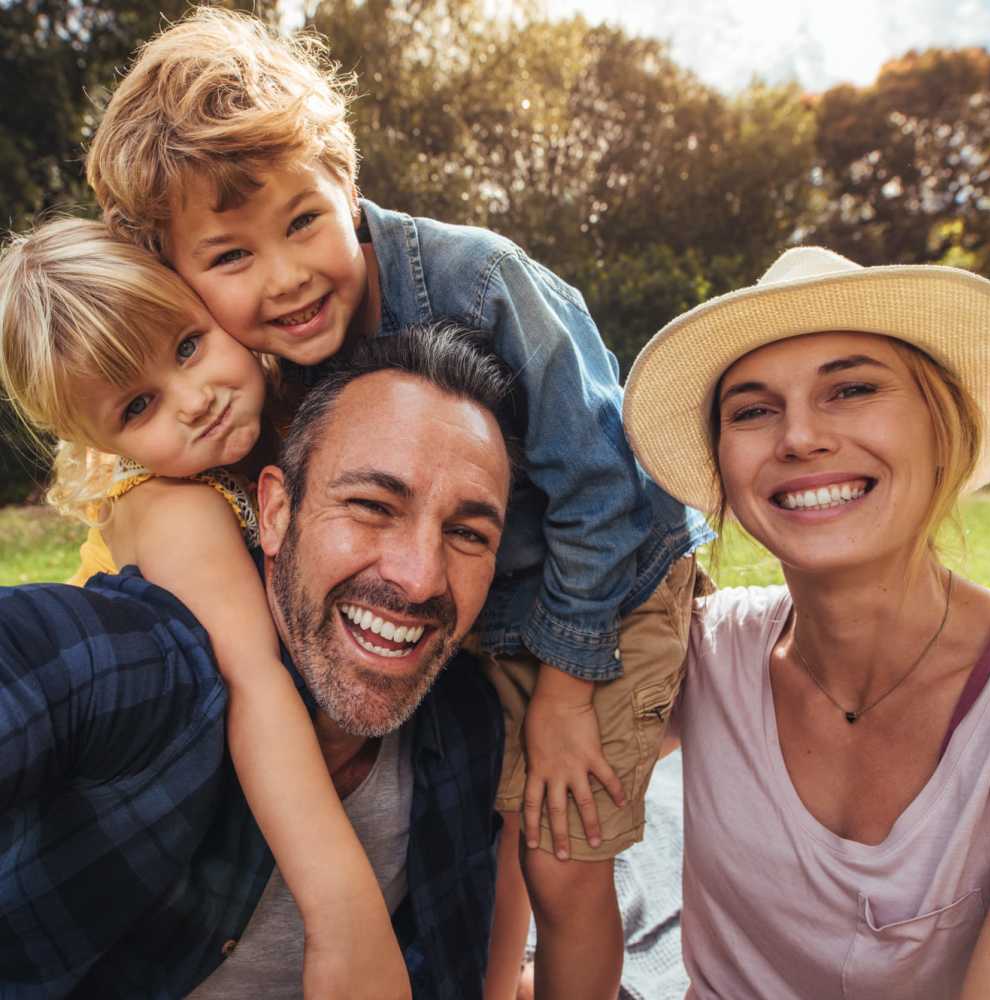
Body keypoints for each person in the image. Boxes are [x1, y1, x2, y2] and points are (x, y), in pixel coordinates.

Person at [84, 9, 713, 999]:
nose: (285, 277)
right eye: (231, 257)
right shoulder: (256, 365)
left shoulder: (482, 282)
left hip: (609, 590)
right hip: (472, 599)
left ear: (346, 180)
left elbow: (608, 484)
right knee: (489, 817)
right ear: (182, 275)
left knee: (559, 843)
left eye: (301, 222)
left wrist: (562, 691)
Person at [0, 325, 514, 998]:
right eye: (370, 505)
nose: (419, 578)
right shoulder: (153, 665)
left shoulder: (468, 720)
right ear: (271, 509)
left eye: (468, 532)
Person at [622, 245, 990, 999]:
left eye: (851, 389)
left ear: (941, 425)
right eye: (754, 411)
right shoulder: (704, 650)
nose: (798, 438)